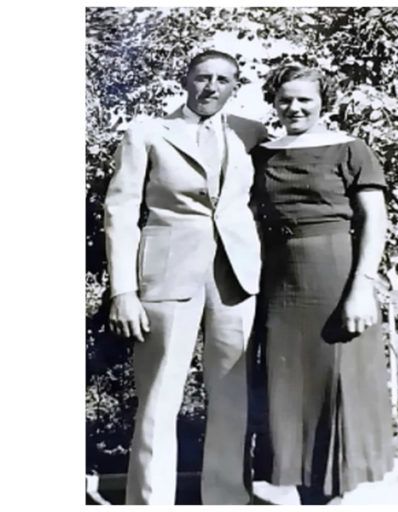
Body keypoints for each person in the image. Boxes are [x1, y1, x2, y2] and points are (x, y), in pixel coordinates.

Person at [104, 50, 268, 504]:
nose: (211, 87)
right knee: (159, 397)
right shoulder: (148, 133)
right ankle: (150, 501)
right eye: (202, 78)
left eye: (223, 79)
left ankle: (226, 498)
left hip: (235, 278)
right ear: (186, 80)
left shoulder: (249, 134)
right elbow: (120, 211)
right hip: (167, 274)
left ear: (236, 85)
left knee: (233, 397)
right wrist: (123, 290)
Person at [250, 63, 394, 504]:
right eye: (286, 98)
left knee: (332, 384)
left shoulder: (350, 149)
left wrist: (362, 286)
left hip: (333, 276)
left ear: (322, 102)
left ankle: (327, 498)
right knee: (285, 390)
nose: (294, 107)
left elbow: (375, 219)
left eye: (304, 99)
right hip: (277, 281)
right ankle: (298, 491)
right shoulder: (263, 153)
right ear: (274, 101)